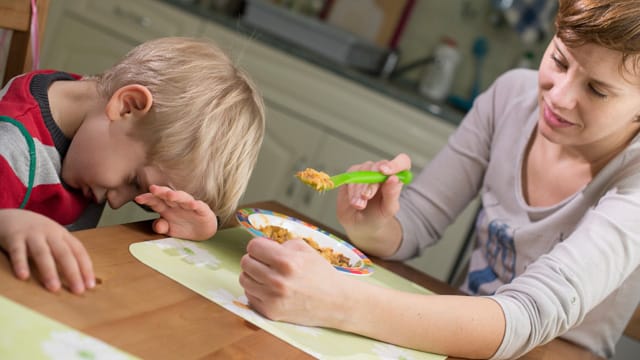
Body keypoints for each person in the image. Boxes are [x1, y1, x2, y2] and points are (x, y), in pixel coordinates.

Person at [238, 0, 640, 359]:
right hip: (458, 337)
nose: (560, 96)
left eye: (597, 91)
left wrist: (336, 302)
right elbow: (418, 222)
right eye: (559, 60)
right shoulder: (511, 96)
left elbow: (528, 318)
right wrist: (377, 225)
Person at [0, 37, 265, 295]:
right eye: (134, 182)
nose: (115, 204)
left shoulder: (88, 108)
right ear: (128, 106)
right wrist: (6, 222)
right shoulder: (11, 148)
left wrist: (181, 229)